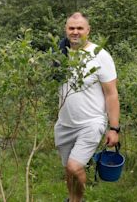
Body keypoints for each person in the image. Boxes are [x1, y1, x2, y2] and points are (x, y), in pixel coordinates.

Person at [54, 12, 120, 202]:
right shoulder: (59, 53)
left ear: (88, 30)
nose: (75, 32)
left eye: (80, 28)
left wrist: (114, 128)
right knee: (69, 169)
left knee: (74, 167)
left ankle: (77, 200)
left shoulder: (100, 56)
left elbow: (111, 93)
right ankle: (73, 199)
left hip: (91, 123)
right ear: (66, 30)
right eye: (71, 28)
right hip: (64, 123)